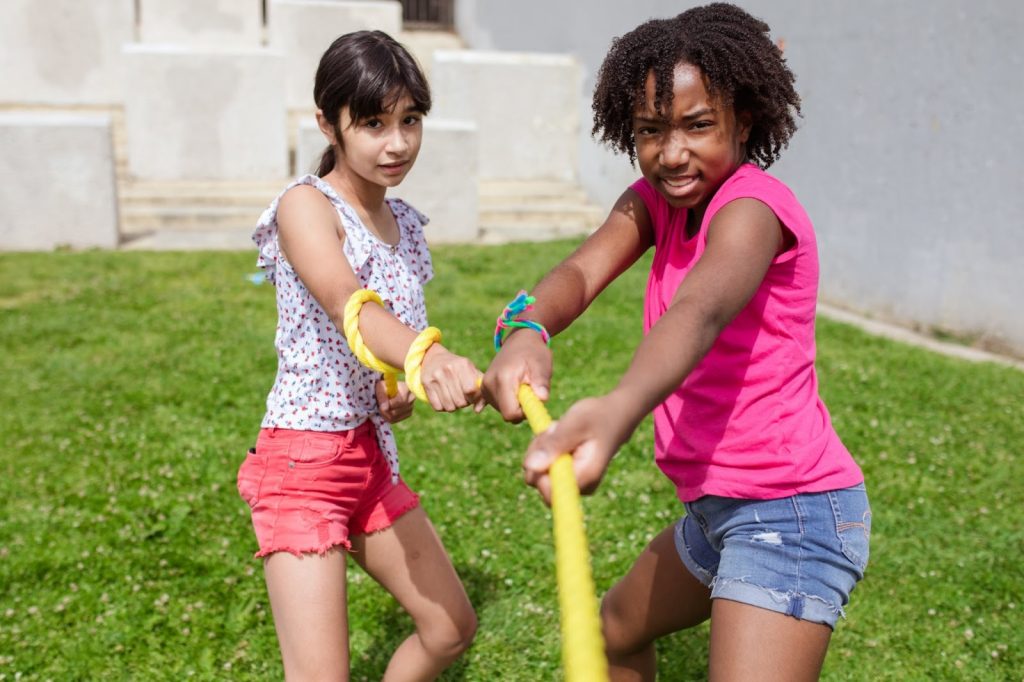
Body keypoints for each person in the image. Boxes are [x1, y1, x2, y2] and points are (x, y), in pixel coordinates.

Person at [482, 5, 870, 680]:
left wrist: (617, 408)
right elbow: (579, 271)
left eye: (697, 126)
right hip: (717, 513)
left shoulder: (753, 210)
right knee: (615, 632)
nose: (671, 152)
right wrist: (526, 327)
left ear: (743, 121)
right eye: (650, 131)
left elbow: (700, 310)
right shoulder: (656, 203)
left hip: (791, 515)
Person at [237, 30, 480, 681]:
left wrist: (399, 387)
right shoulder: (305, 207)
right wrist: (426, 357)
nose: (396, 142)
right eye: (372, 123)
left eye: (410, 120)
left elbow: (379, 347)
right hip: (301, 462)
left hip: (368, 459)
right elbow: (350, 299)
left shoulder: (403, 222)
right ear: (328, 123)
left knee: (451, 628)